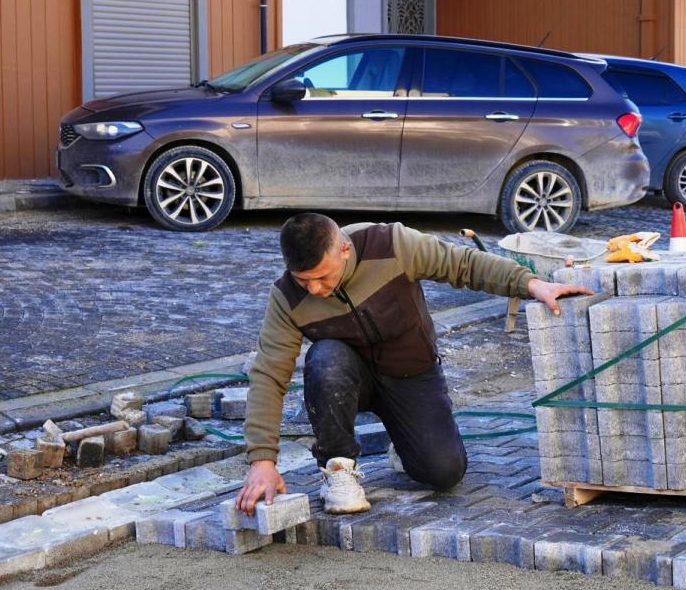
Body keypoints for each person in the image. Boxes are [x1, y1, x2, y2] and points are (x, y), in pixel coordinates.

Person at [236, 214, 591, 515]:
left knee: (444, 472)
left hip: (410, 374)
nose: (314, 289)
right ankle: (338, 468)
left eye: (322, 276)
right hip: (348, 379)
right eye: (304, 280)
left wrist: (530, 284)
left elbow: (464, 265)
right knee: (325, 357)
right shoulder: (286, 297)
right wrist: (262, 462)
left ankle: (403, 443)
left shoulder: (392, 244)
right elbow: (269, 375)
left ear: (344, 249)